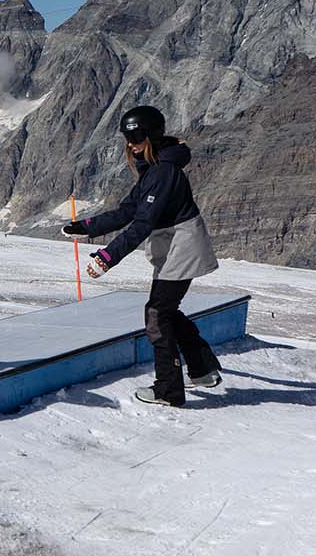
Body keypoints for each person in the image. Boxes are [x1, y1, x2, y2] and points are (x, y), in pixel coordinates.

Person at [61, 105, 224, 407]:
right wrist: (86, 227)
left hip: (182, 246)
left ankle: (169, 390)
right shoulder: (155, 167)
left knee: (157, 315)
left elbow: (142, 223)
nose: (131, 144)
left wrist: (107, 257)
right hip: (175, 245)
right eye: (127, 138)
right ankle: (202, 368)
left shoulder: (163, 172)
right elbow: (128, 210)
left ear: (151, 135)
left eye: (136, 137)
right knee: (166, 310)